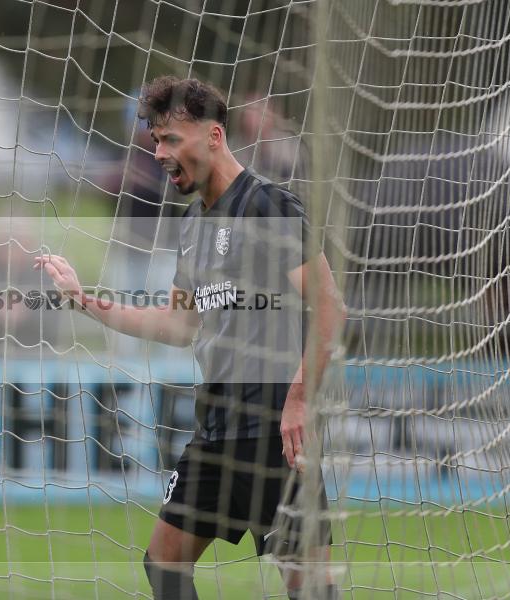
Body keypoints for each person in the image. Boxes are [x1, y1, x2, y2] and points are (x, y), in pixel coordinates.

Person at [35, 76, 346, 600]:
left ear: (215, 137)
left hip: (277, 435)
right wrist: (85, 300)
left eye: (170, 140)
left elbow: (331, 309)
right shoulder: (193, 223)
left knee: (310, 590)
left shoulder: (268, 207)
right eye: (155, 141)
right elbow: (178, 325)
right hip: (217, 427)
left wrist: (299, 400)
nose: (159, 153)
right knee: (164, 566)